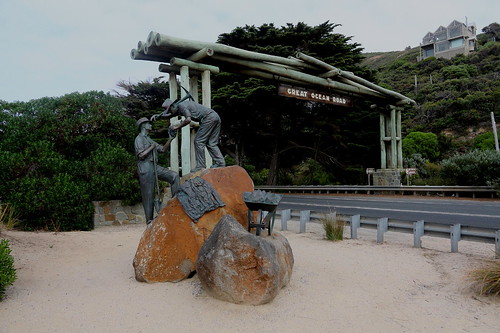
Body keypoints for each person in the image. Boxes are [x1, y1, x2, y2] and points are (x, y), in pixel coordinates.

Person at [157, 99, 225, 172]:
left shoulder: (182, 106)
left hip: (208, 119)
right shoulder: (178, 108)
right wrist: (158, 116)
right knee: (211, 143)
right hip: (215, 117)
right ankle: (220, 163)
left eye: (169, 110)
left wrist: (177, 127)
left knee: (198, 141)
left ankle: (200, 166)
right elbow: (170, 115)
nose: (170, 112)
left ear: (172, 106)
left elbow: (188, 120)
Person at [135, 117, 179, 224]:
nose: (151, 125)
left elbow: (162, 149)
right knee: (148, 194)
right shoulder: (139, 139)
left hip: (154, 166)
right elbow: (141, 155)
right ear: (143, 126)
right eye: (148, 124)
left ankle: (176, 204)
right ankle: (149, 220)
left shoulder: (149, 139)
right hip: (145, 167)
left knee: (174, 176)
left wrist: (170, 139)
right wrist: (151, 147)